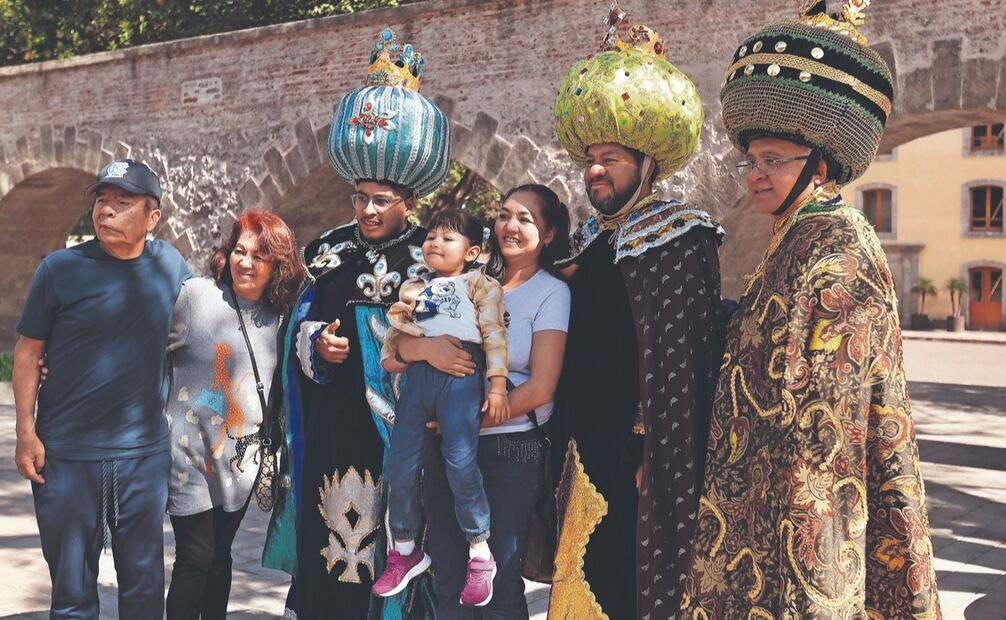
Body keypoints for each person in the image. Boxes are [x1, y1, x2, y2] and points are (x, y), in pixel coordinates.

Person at [681, 1, 941, 617]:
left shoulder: (841, 239)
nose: (756, 175)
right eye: (753, 161)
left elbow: (829, 397)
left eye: (774, 160)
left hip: (810, 496)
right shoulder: (788, 238)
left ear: (820, 165)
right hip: (756, 484)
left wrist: (803, 507)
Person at [262, 27, 449, 620]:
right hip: (335, 425)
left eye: (380, 199)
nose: (367, 210)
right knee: (332, 549)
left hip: (403, 431)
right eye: (359, 197)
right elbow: (301, 326)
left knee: (392, 549)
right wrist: (318, 343)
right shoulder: (330, 252)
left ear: (408, 202)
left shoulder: (432, 256)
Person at [547, 4, 725, 618]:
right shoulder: (591, 241)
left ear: (647, 165)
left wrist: (655, 452)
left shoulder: (680, 237)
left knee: (627, 581)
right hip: (581, 443)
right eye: (591, 159)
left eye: (612, 160)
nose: (595, 171)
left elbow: (681, 360)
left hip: (638, 454)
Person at [12, 159, 191, 619]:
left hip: (142, 457)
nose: (106, 211)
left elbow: (209, 328)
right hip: (67, 455)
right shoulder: (59, 269)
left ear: (152, 217)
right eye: (101, 201)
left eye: (122, 202)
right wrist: (26, 430)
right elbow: (29, 353)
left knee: (145, 590)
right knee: (71, 595)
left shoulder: (170, 265)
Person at [388, 184, 571, 619]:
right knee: (450, 578)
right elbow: (398, 345)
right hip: (445, 444)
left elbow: (541, 387)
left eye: (526, 219)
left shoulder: (551, 293)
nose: (511, 225)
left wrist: (468, 422)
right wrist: (424, 351)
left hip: (508, 450)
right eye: (505, 214)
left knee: (499, 581)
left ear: (548, 234)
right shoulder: (462, 280)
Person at [165, 211, 305, 619]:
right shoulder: (196, 297)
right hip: (188, 454)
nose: (245, 263)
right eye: (239, 251)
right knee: (195, 556)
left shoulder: (281, 316)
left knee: (220, 555)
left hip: (241, 460)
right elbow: (145, 348)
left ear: (277, 265)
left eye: (259, 256)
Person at [373, 208, 508, 607]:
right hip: (417, 379)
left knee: (460, 461)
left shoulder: (480, 285)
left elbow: (495, 334)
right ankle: (404, 547)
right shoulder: (413, 289)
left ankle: (480, 552)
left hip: (462, 374)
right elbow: (390, 355)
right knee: (399, 463)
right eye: (431, 236)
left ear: (472, 252)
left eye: (448, 238)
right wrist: (417, 352)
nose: (435, 242)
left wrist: (496, 386)